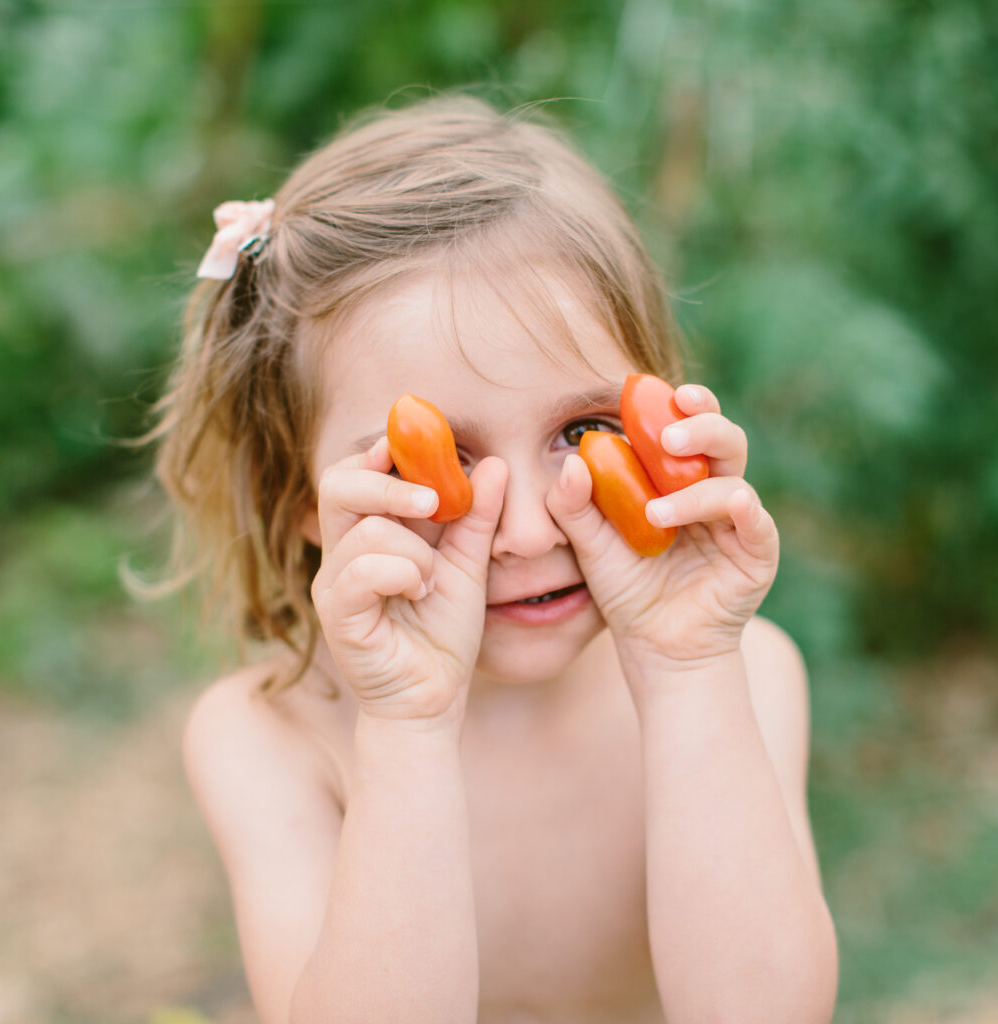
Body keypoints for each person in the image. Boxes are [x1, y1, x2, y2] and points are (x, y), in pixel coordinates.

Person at [143, 92, 838, 1024]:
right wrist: (405, 727)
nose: (526, 534)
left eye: (584, 430)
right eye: (436, 461)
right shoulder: (271, 739)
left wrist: (684, 671)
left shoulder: (744, 674)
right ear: (301, 498)